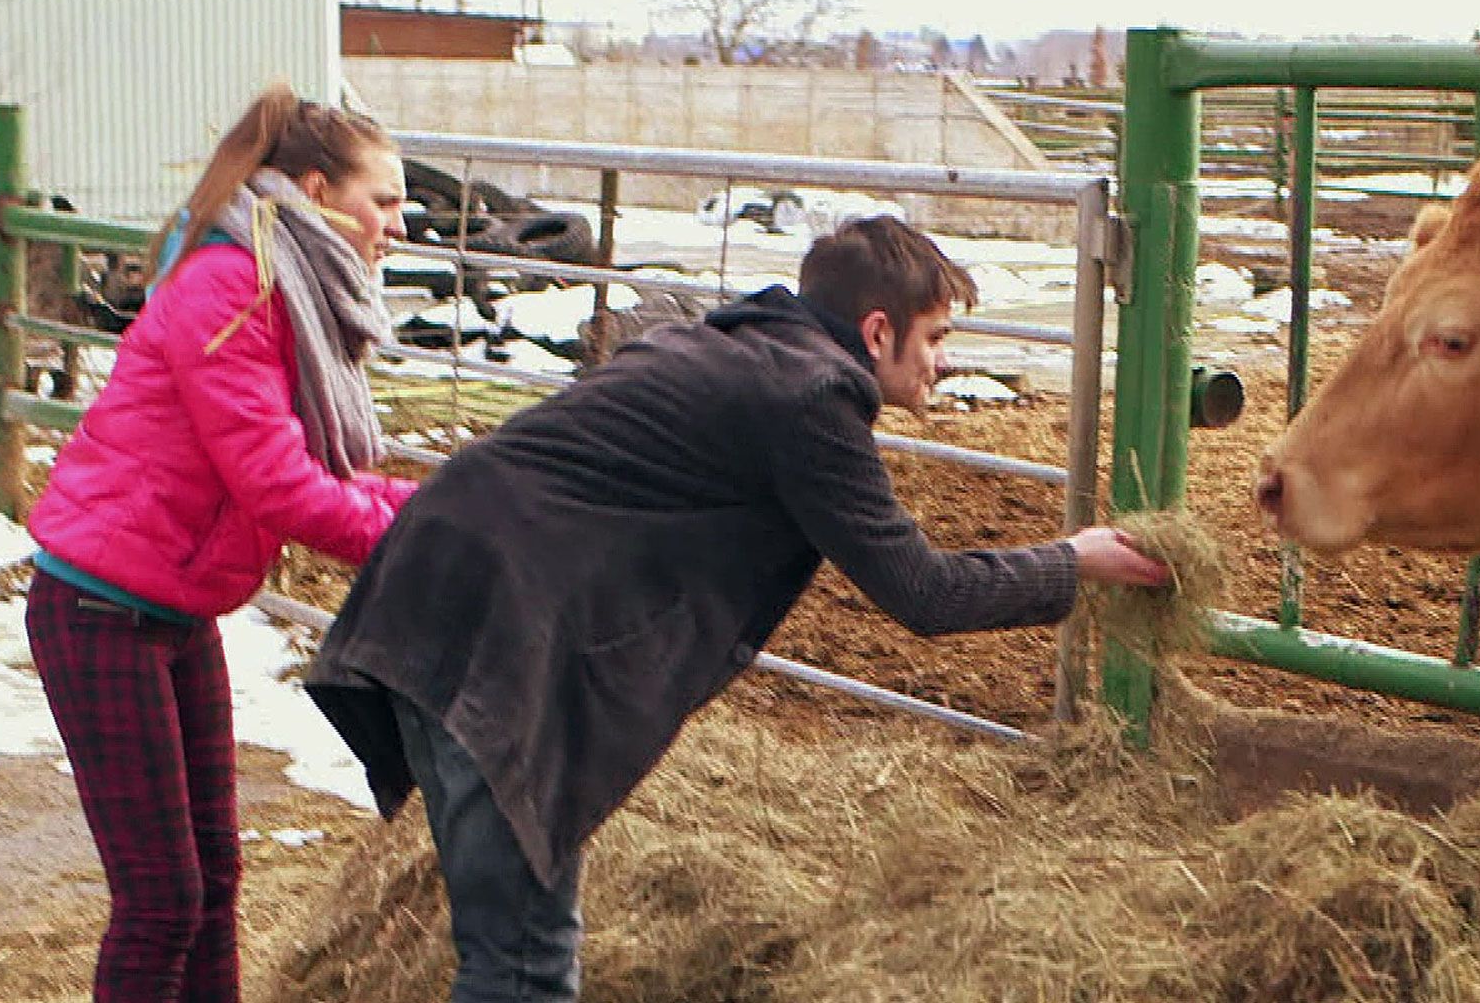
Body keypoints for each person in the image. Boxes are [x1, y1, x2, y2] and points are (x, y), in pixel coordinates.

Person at [305, 214, 1171, 1002]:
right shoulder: (810, 399)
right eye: (936, 338)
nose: (943, 362)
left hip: (431, 597)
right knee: (521, 960)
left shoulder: (739, 345)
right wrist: (1071, 561)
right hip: (494, 641)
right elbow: (924, 592)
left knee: (517, 943)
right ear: (878, 332)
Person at [24, 84, 418, 1001]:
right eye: (385, 201)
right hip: (98, 606)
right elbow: (278, 486)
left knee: (213, 882)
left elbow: (311, 463)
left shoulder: (287, 288)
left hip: (170, 603)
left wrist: (442, 508)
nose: (399, 225)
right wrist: (422, 543)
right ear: (316, 192)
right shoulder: (230, 286)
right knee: (162, 899)